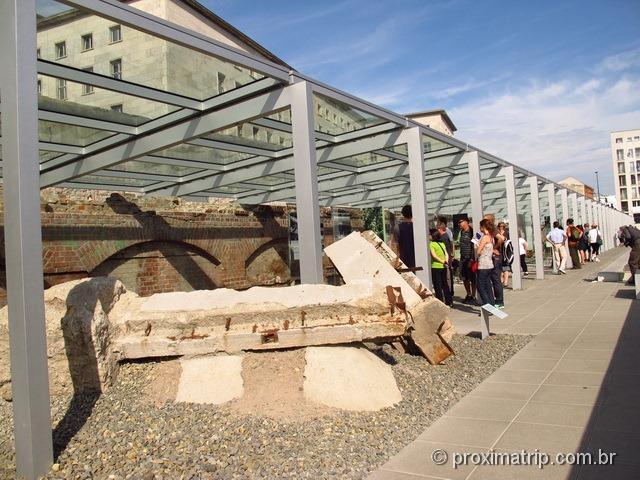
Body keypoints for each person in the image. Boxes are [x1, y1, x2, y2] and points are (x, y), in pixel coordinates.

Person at [475, 219, 497, 307]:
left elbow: (478, 252)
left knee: (480, 286)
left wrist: (477, 245)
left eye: (480, 226)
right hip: (490, 264)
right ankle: (492, 305)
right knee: (488, 286)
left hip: (483, 265)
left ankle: (488, 306)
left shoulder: (484, 238)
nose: (479, 228)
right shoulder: (491, 237)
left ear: (483, 227)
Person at [429, 228, 453, 306]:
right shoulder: (442, 244)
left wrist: (441, 261)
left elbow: (434, 255)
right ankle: (449, 301)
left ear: (433, 236)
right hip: (443, 266)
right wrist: (445, 261)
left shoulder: (431, 244)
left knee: (437, 285)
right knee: (445, 284)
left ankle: (440, 302)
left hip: (435, 266)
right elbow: (446, 254)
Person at [457, 217, 477, 304]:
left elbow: (474, 246)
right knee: (464, 277)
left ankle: (473, 296)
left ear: (466, 222)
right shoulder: (461, 232)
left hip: (470, 258)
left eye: (460, 222)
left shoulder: (472, 232)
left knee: (472, 278)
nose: (459, 224)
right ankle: (468, 294)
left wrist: (472, 259)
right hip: (463, 258)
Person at [497, 222, 514, 287]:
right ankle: (501, 282)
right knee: (500, 269)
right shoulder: (497, 233)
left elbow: (507, 241)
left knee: (506, 268)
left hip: (505, 253)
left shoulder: (506, 233)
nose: (501, 227)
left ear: (504, 227)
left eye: (502, 226)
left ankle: (505, 282)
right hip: (499, 252)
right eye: (500, 226)